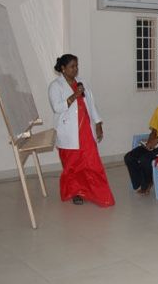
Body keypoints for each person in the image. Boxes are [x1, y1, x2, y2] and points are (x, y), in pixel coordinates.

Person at [48, 54, 114, 206]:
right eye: (72, 66)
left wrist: (98, 123)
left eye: (76, 66)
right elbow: (57, 107)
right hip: (68, 133)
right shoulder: (55, 86)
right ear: (63, 68)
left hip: (85, 130)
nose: (75, 69)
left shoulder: (82, 83)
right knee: (72, 166)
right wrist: (74, 95)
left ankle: (98, 194)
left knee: (92, 164)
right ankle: (75, 192)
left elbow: (91, 105)